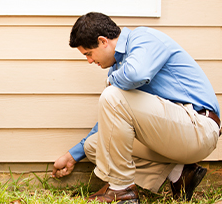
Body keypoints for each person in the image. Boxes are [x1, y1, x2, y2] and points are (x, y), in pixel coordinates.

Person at [52, 12, 220, 203]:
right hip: (173, 135)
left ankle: (122, 189)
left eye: (89, 54)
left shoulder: (143, 39)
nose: (90, 61)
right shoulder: (117, 70)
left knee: (112, 96)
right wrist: (72, 156)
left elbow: (137, 74)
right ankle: (179, 173)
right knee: (94, 145)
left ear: (103, 41)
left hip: (198, 127)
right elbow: (111, 123)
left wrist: (111, 83)